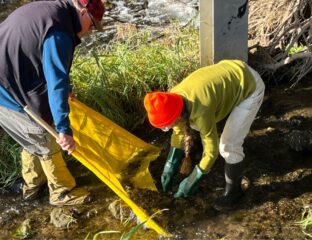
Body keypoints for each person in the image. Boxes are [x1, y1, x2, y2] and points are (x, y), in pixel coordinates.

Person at [0, 0, 105, 205]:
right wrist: (64, 130)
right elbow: (56, 82)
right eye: (92, 24)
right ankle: (61, 192)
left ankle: (32, 187)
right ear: (83, 12)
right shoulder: (59, 31)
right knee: (44, 135)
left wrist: (67, 89)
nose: (90, 31)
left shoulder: (53, 10)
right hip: (5, 88)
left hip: (13, 75)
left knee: (30, 134)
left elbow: (42, 60)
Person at [143, 60, 265, 210]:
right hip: (232, 71)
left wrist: (194, 178)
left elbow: (211, 151)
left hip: (249, 87)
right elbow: (179, 130)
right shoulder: (172, 98)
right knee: (194, 126)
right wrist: (170, 165)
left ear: (177, 115)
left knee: (228, 145)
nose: (168, 129)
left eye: (167, 126)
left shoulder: (201, 109)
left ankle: (234, 191)